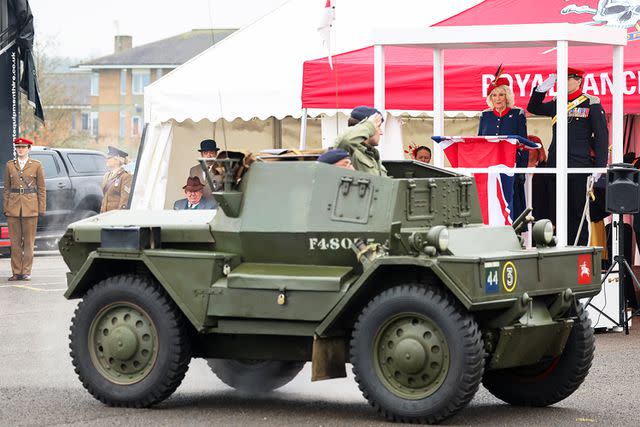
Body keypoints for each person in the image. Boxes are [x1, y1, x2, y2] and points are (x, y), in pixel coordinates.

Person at [527, 67, 608, 245]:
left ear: (578, 80)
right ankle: (560, 249)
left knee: (578, 213)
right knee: (557, 212)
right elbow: (533, 107)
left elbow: (601, 137)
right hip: (556, 165)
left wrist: (600, 167)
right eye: (561, 79)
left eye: (569, 79)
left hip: (579, 166)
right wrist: (543, 87)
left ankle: (578, 252)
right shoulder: (557, 102)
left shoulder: (591, 103)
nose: (564, 83)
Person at [478, 71, 528, 221]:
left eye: (501, 94)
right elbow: (481, 142)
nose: (498, 98)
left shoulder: (517, 113)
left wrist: (521, 170)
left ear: (507, 96)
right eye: (494, 95)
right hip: (490, 166)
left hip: (511, 166)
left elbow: (523, 144)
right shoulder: (485, 115)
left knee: (512, 203)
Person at [3, 137, 46, 281]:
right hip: (14, 208)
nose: (20, 150)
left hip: (30, 207)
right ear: (15, 149)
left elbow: (41, 189)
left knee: (28, 242)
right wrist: (6, 207)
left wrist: (41, 208)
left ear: (29, 149)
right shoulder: (10, 165)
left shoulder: (36, 165)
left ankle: (26, 271)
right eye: (18, 147)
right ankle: (16, 272)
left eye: (23, 147)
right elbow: (7, 189)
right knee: (15, 242)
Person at [335, 106, 386, 176]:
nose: (381, 132)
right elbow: (346, 140)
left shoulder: (371, 154)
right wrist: (370, 125)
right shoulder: (350, 151)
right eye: (378, 127)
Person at [100, 146, 132, 213]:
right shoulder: (107, 176)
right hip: (105, 216)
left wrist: (118, 218)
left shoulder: (125, 176)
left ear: (117, 160)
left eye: (109, 158)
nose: (106, 159)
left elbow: (125, 201)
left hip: (114, 217)